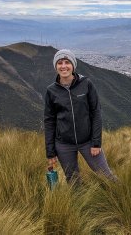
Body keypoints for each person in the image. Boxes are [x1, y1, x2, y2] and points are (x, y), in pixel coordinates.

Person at [44, 49, 115, 185]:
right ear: (55, 66)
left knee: (106, 176)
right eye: (59, 63)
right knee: (74, 181)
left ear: (73, 65)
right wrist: (50, 152)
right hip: (64, 145)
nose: (63, 66)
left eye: (67, 62)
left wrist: (96, 142)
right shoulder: (51, 91)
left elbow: (96, 113)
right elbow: (49, 121)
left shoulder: (86, 84)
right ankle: (80, 205)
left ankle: (125, 198)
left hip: (88, 142)